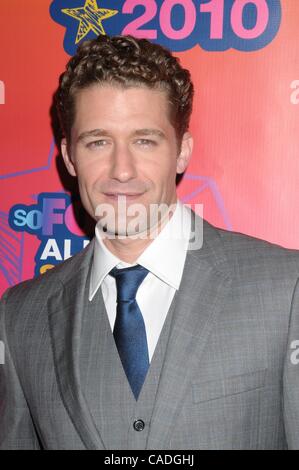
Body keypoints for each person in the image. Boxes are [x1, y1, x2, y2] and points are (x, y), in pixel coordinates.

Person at [1, 34, 299, 450]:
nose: (121, 170)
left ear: (181, 151)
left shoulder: (286, 289)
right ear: (69, 157)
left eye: (144, 140)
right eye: (98, 142)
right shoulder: (19, 316)